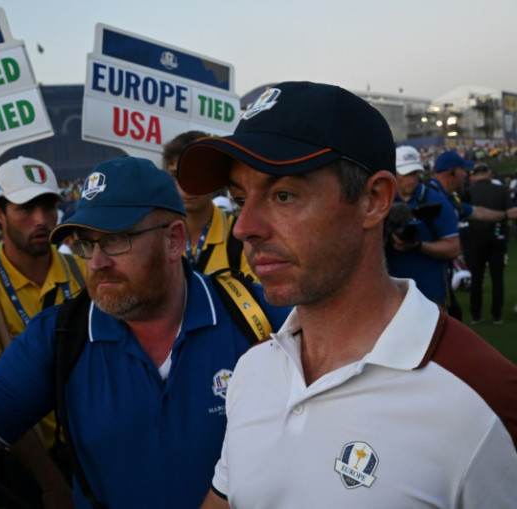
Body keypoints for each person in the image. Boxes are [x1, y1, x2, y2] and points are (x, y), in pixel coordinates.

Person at [0, 156, 291, 509]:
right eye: (86, 243)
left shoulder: (253, 314)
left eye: (117, 239)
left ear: (173, 240)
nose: (97, 261)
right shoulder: (61, 335)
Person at [174, 81, 517, 507]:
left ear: (374, 200)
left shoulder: (485, 402)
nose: (244, 226)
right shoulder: (252, 370)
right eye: (240, 198)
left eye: (283, 195)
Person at [0, 156, 86, 507]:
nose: (41, 220)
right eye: (26, 208)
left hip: (95, 443)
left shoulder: (86, 272)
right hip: (23, 462)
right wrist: (50, 480)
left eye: (49, 206)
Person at [162, 131, 256, 278]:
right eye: (176, 175)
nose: (186, 186)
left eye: (197, 174)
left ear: (214, 177)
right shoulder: (157, 235)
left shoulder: (241, 234)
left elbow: (256, 298)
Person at [385, 145, 460, 308]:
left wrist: (417, 245)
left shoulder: (435, 200)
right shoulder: (381, 200)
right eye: (406, 174)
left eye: (415, 173)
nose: (412, 179)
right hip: (390, 293)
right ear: (393, 173)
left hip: (430, 292)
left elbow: (454, 247)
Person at [461, 163, 512, 324]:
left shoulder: (469, 191)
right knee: (497, 278)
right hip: (498, 237)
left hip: (476, 237)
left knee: (477, 277)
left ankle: (476, 315)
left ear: (475, 175)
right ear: (488, 174)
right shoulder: (501, 190)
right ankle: (497, 315)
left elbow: (463, 215)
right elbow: (511, 213)